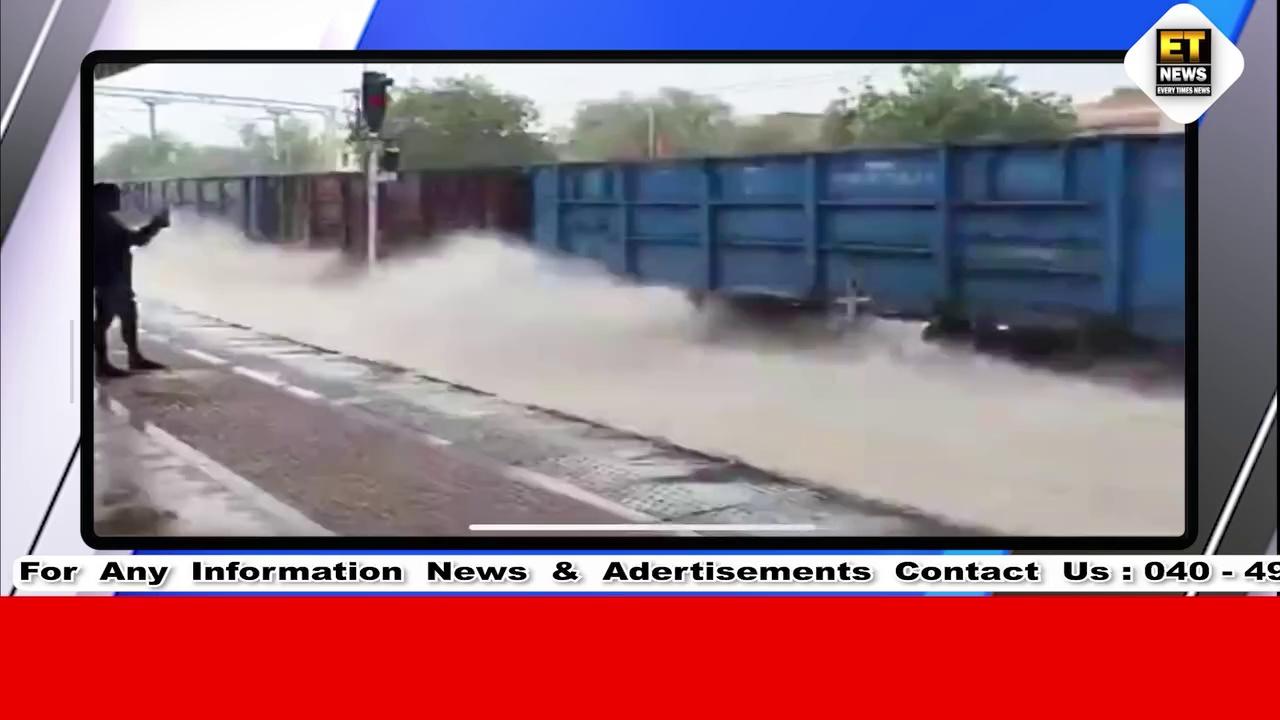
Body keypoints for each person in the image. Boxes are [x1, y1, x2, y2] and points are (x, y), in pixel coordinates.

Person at [93, 182, 170, 378]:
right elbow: (135, 240)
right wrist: (156, 225)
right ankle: (110, 362)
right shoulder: (101, 221)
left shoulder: (100, 219)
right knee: (109, 319)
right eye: (114, 196)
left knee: (112, 318)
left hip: (109, 277)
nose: (118, 200)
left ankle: (123, 359)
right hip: (111, 277)